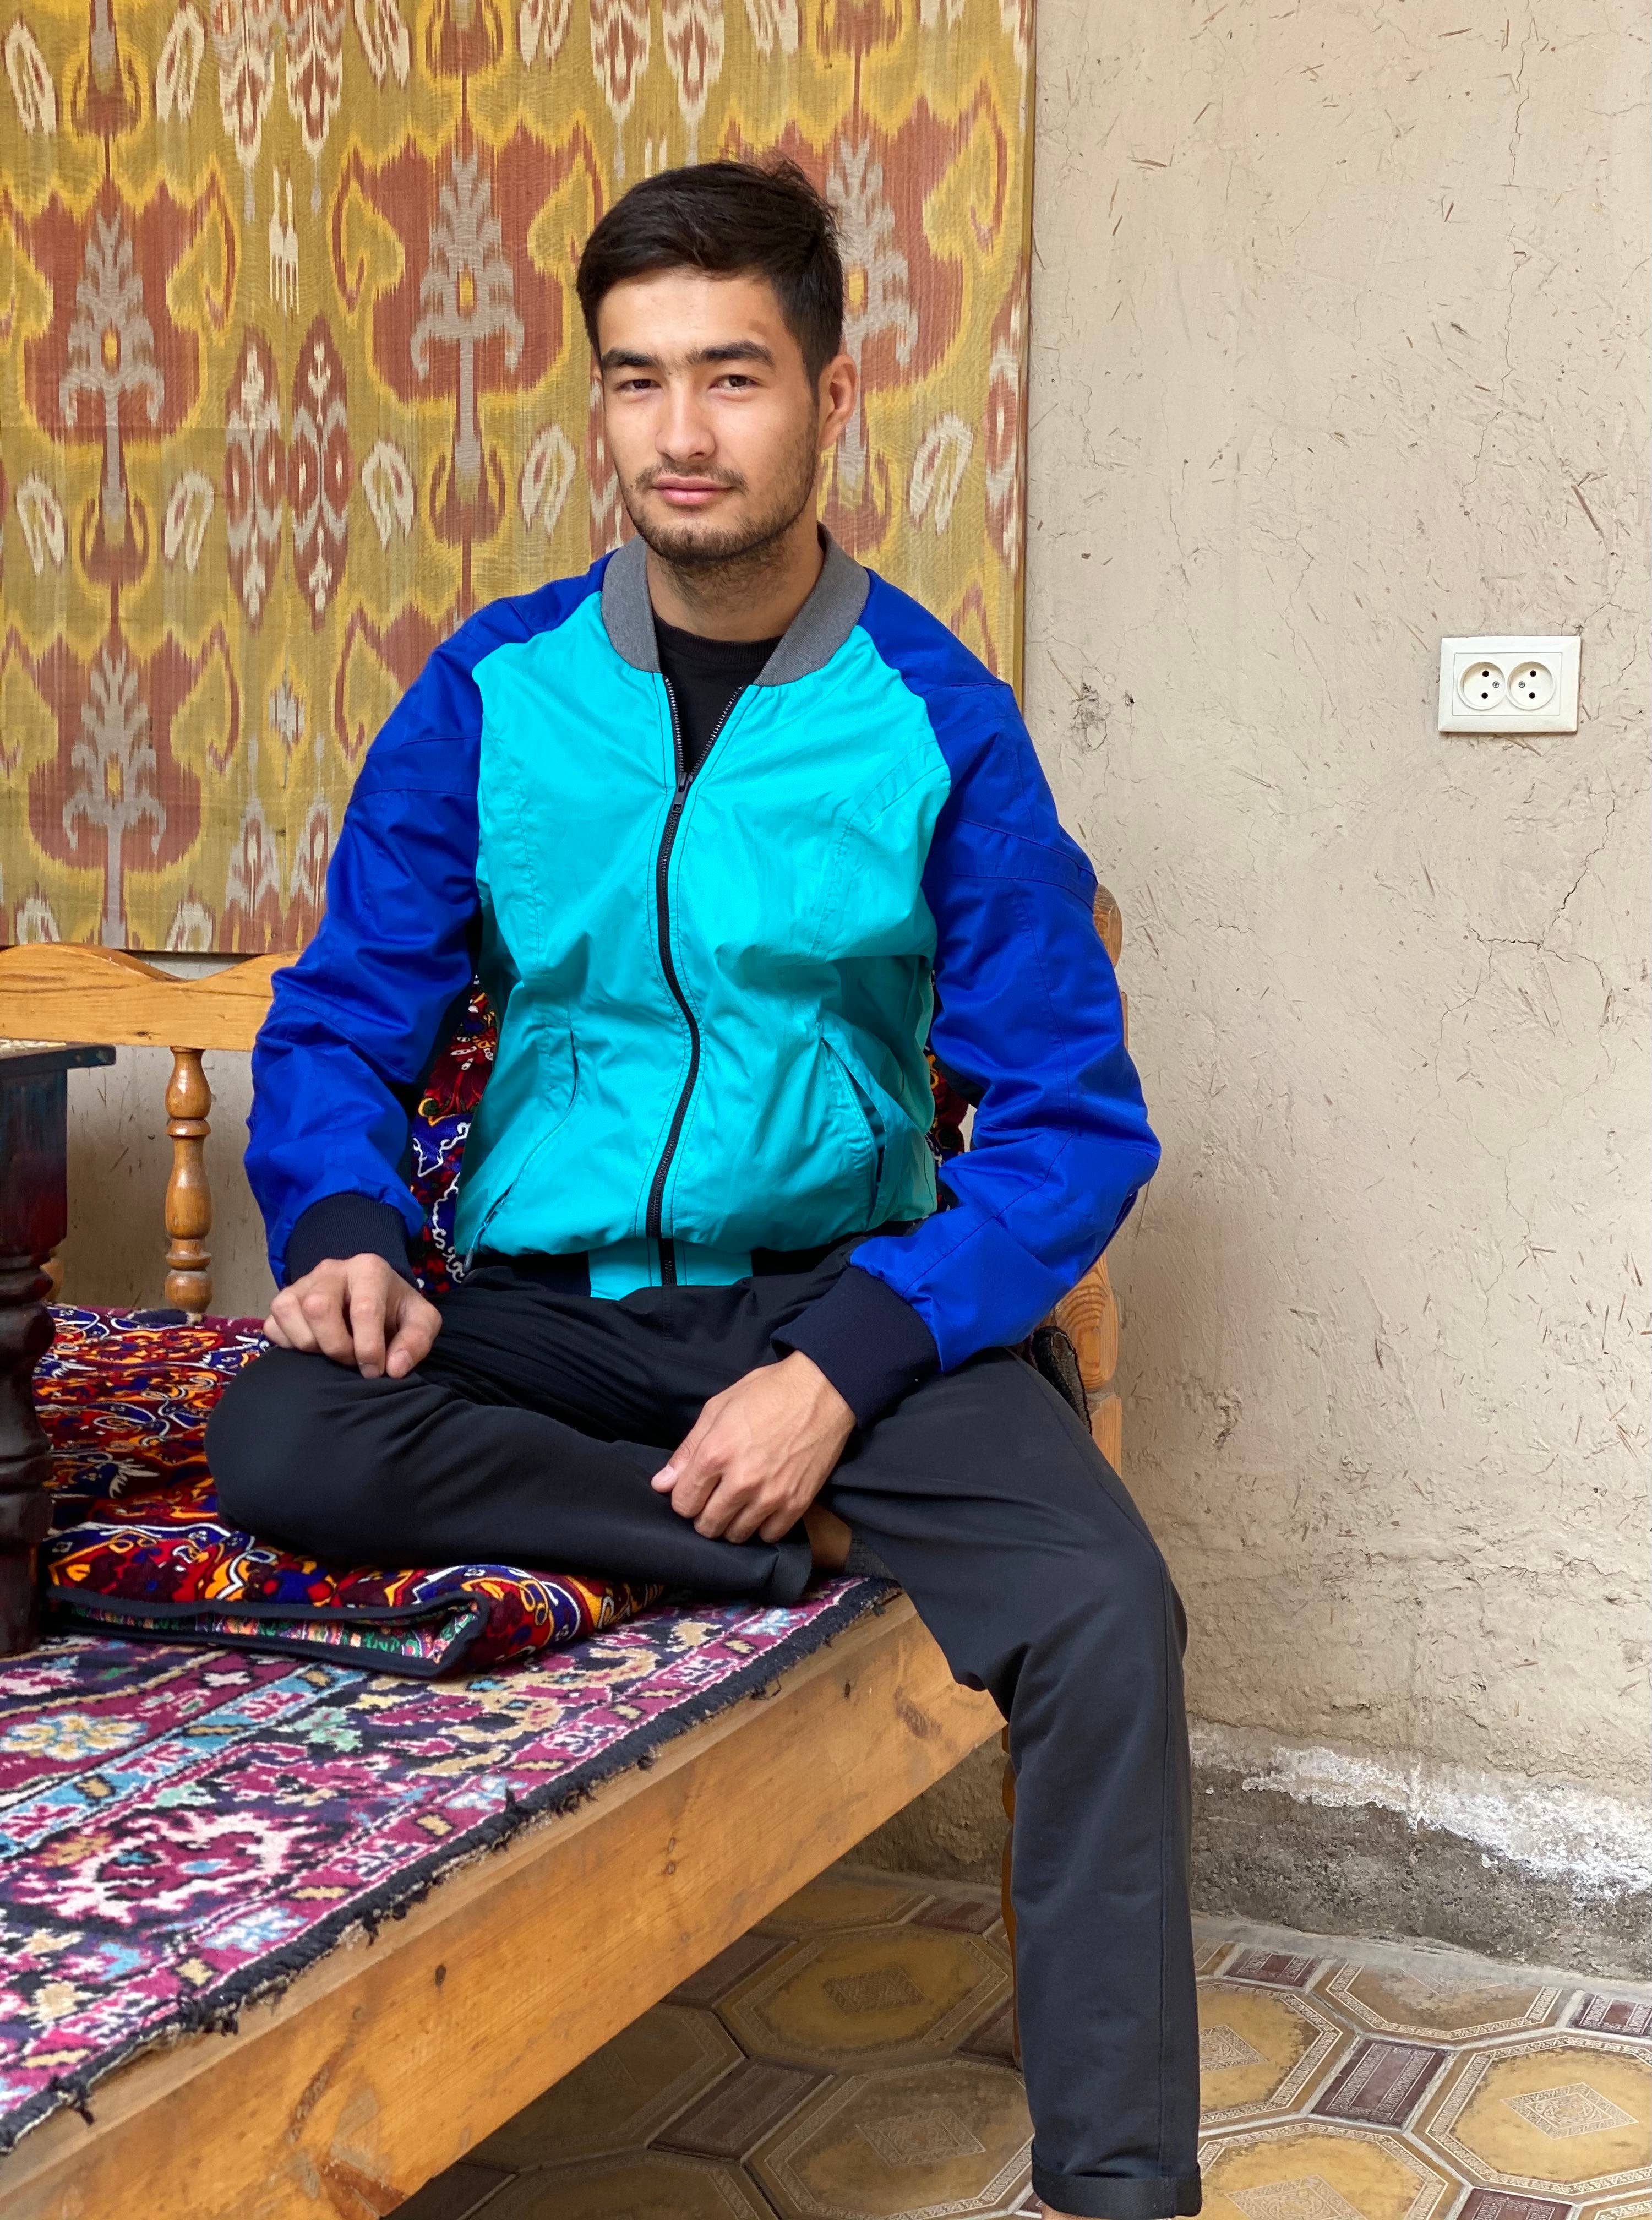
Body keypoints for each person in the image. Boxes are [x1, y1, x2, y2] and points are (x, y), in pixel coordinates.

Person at [206, 158, 1198, 2220]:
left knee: (1105, 1611)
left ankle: (1121, 2189)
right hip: (549, 1311)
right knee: (280, 1430)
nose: (680, 431)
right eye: (636, 378)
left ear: (829, 396)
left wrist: (837, 1370)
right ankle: (774, 1542)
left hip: (844, 1308)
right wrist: (348, 1232)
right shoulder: (492, 695)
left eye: (731, 376)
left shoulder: (933, 720)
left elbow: (1069, 1123)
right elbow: (342, 1018)